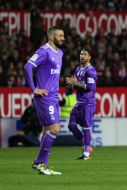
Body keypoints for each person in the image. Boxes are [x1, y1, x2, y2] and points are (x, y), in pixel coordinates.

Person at [24, 26, 65, 175]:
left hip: (54, 96)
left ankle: (43, 165)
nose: (63, 38)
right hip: (44, 97)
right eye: (60, 36)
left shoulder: (60, 53)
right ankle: (39, 162)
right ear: (51, 37)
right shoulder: (43, 50)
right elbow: (28, 67)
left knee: (47, 130)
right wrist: (34, 88)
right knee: (55, 129)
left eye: (63, 36)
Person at [65, 48, 97, 160]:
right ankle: (86, 145)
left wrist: (75, 83)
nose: (82, 56)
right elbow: (77, 85)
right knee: (71, 125)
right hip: (79, 102)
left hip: (88, 102)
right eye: (81, 53)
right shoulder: (78, 69)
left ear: (89, 57)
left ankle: (86, 154)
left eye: (85, 54)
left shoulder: (91, 71)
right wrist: (71, 83)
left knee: (86, 127)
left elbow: (90, 87)